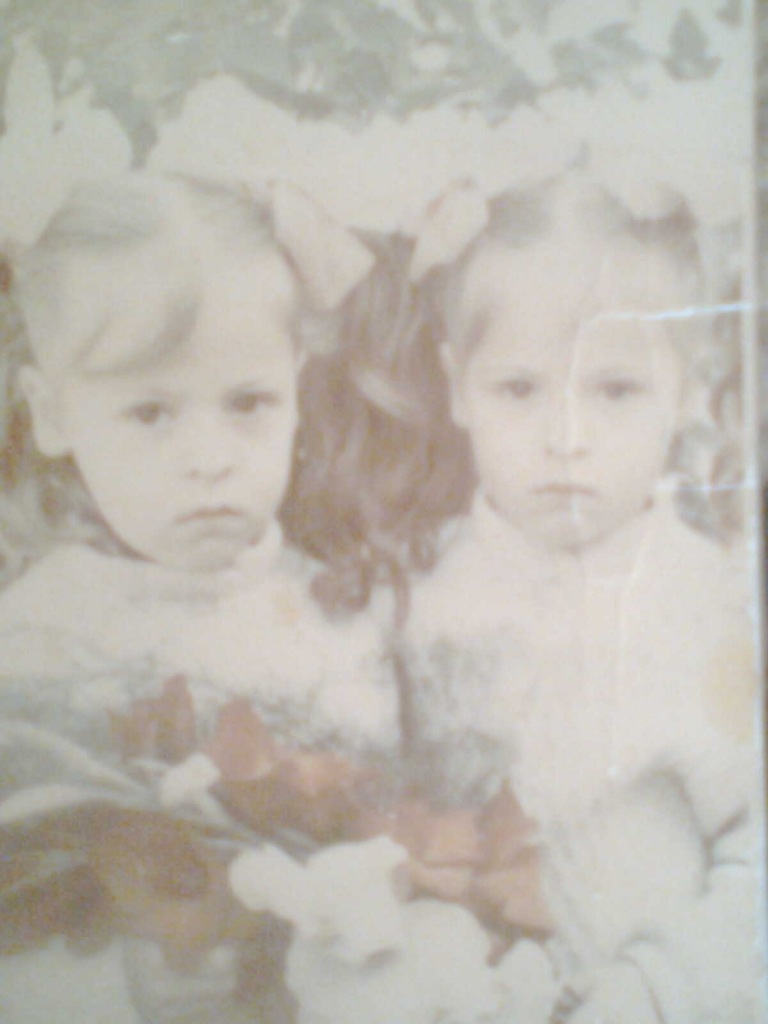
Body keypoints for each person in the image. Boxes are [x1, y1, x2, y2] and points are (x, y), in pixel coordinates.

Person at [0, 171, 400, 1023]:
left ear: (297, 390)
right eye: (151, 413)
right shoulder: (38, 643)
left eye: (249, 401)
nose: (211, 458)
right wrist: (110, 984)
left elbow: (385, 843)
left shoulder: (337, 612)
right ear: (53, 414)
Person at [393, 176, 762, 1022]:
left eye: (616, 390)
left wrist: (659, 989)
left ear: (687, 389)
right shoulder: (418, 597)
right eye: (519, 389)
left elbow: (755, 850)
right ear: (457, 387)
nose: (566, 438)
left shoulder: (707, 603)